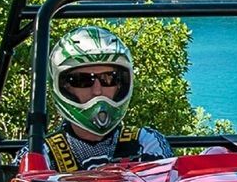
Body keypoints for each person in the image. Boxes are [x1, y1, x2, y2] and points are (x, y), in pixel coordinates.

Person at [43, 24, 173, 172]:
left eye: (109, 78)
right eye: (82, 80)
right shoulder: (42, 154)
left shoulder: (146, 142)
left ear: (121, 85)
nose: (97, 91)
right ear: (65, 87)